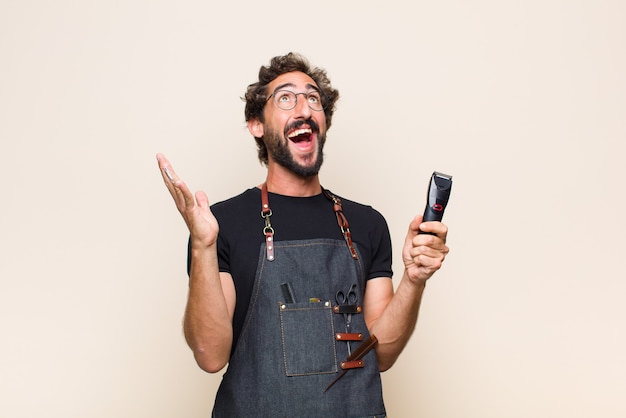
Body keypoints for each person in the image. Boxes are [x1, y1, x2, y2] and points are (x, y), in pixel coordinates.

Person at [156, 52, 449, 417]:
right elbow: (210, 355)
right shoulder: (222, 225)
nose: (305, 108)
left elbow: (382, 354)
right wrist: (202, 247)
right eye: (285, 98)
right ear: (256, 125)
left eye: (313, 99)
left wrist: (414, 280)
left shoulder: (367, 224)